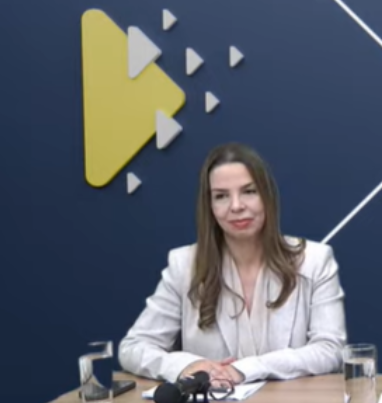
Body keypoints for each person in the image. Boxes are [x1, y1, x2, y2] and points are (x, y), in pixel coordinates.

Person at [119, 143, 347, 385]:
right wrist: (187, 366)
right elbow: (134, 347)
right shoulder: (184, 265)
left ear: (267, 197)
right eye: (221, 196)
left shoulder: (314, 260)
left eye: (249, 191)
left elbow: (330, 350)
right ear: (210, 206)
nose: (236, 206)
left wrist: (247, 369)